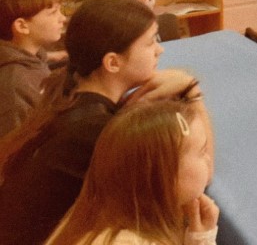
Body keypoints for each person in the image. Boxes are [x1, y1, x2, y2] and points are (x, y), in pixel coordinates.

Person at [0, 0, 203, 244]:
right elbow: (195, 182)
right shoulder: (97, 130)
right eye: (151, 42)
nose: (160, 50)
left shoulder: (71, 98)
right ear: (112, 62)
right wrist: (192, 91)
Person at [46, 99, 218, 245]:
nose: (209, 159)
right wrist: (202, 241)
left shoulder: (110, 219)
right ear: (164, 173)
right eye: (202, 151)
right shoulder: (127, 241)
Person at [0, 0, 66, 138]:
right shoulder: (15, 84)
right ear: (22, 26)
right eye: (53, 13)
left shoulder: (33, 60)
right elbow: (13, 146)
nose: (63, 18)